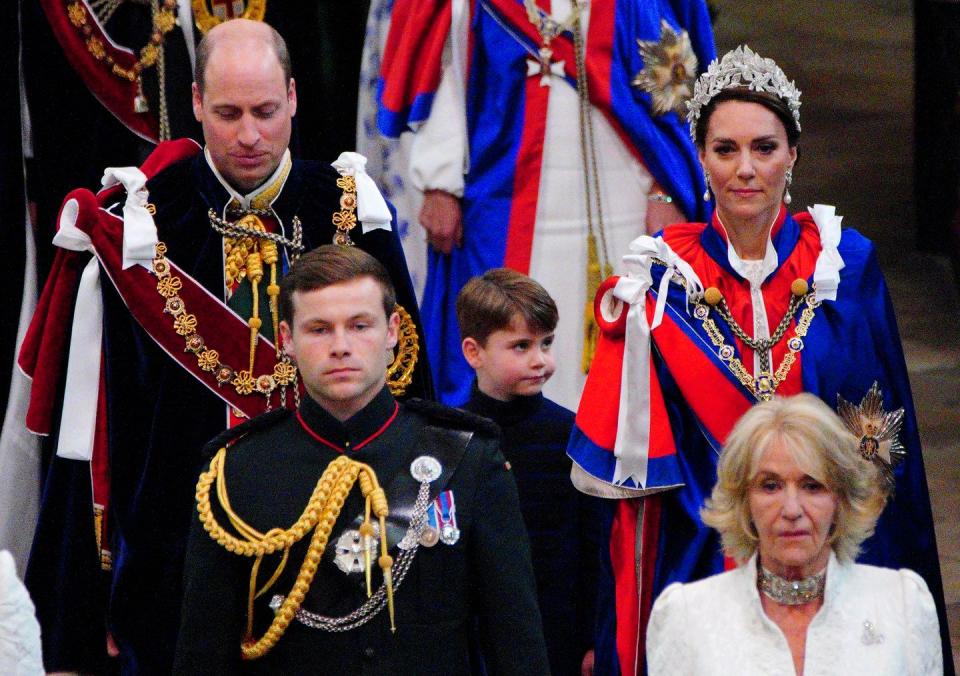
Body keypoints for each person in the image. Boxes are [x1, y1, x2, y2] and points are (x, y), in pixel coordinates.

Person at [18, 18, 431, 675]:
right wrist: (83, 609)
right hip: (177, 568)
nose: (248, 135)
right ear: (195, 103)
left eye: (266, 112)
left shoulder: (349, 211)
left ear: (293, 98)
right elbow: (97, 438)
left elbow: (409, 396)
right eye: (229, 112)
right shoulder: (140, 229)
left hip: (338, 556)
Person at [566, 46, 952, 674]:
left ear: (792, 154)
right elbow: (635, 489)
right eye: (726, 150)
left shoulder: (844, 267)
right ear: (701, 157)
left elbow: (881, 442)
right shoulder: (658, 281)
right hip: (703, 553)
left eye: (764, 148)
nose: (745, 170)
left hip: (836, 544)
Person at [174, 245, 549, 675]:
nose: (341, 346)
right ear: (285, 339)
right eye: (318, 329)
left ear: (392, 331)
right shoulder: (235, 472)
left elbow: (516, 641)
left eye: (359, 326)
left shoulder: (468, 458)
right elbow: (202, 652)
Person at [377, 0, 716, 409]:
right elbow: (448, 58)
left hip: (625, 198)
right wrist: (440, 181)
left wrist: (666, 186)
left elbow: (673, 85)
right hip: (500, 192)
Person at [646, 394, 942, 674]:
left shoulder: (903, 603)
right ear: (743, 501)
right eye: (770, 486)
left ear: (840, 499)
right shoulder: (685, 616)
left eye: (812, 486)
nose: (791, 510)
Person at [457, 268, 601, 676]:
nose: (541, 361)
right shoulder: (448, 437)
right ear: (474, 352)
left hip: (557, 633)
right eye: (521, 346)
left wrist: (593, 638)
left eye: (546, 343)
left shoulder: (572, 435)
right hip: (475, 639)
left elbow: (592, 547)